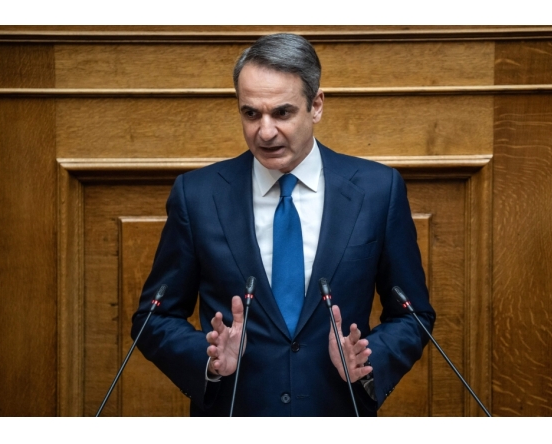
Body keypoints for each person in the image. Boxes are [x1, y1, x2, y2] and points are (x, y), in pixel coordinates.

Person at [132, 33, 435, 417]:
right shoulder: (198, 195)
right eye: (251, 113)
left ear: (317, 105)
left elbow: (413, 315)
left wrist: (368, 359)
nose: (266, 131)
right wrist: (207, 359)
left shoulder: (377, 190)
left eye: (283, 112)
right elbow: (154, 317)